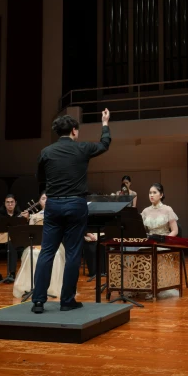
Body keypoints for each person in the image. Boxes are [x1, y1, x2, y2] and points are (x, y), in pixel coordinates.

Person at [31, 108, 112, 313]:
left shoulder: (46, 152)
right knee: (73, 252)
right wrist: (105, 123)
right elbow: (104, 144)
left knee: (47, 251)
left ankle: (38, 301)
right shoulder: (82, 148)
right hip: (76, 204)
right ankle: (67, 301)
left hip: (54, 204)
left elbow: (39, 178)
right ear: (74, 131)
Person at [13, 194, 66, 299]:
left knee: (57, 254)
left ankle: (53, 286)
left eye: (47, 198)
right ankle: (32, 285)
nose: (45, 200)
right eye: (43, 198)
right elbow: (31, 234)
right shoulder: (34, 216)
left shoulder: (57, 216)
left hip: (54, 244)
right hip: (37, 244)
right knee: (30, 253)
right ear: (39, 202)